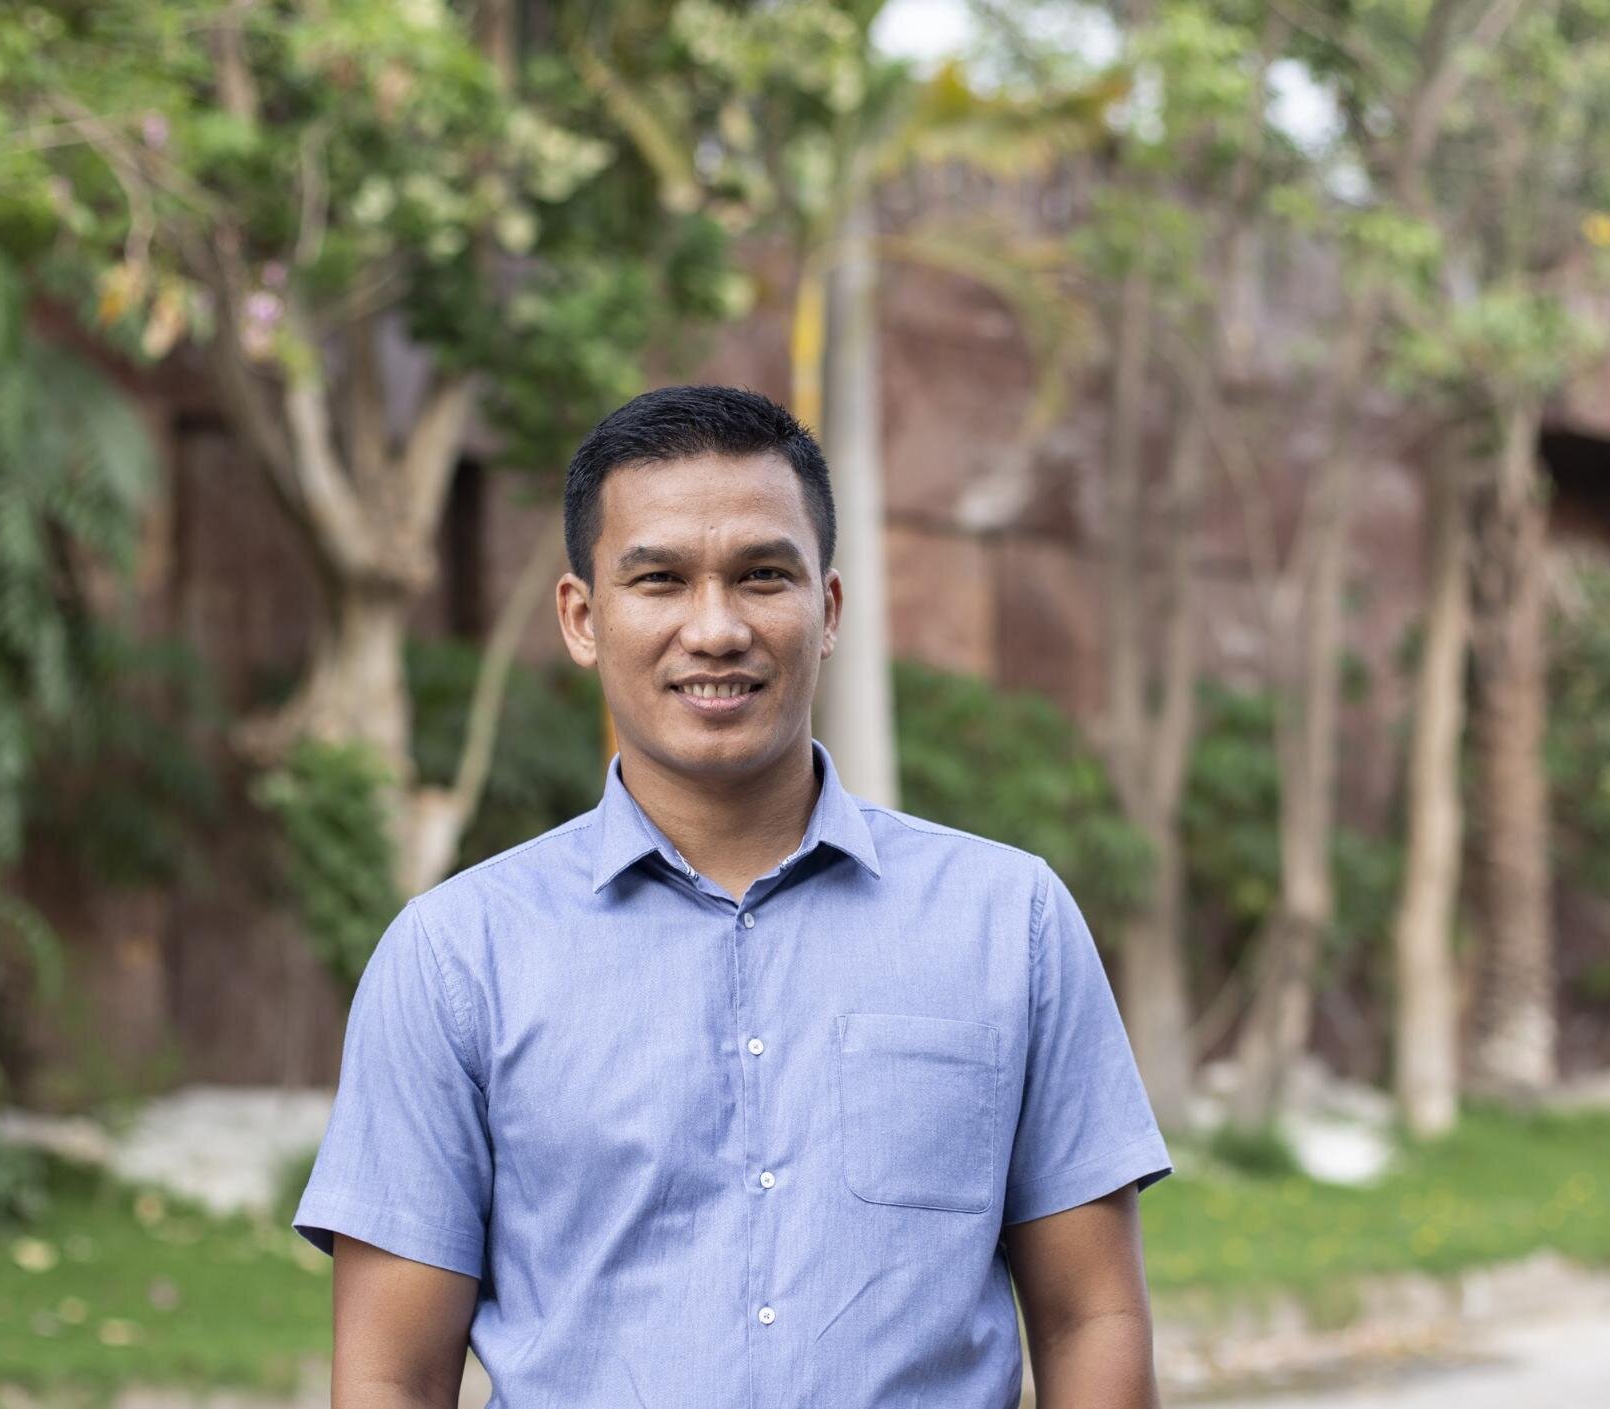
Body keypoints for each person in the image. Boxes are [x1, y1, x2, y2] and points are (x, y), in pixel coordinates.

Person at [292, 384, 1174, 1408]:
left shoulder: (1006, 922)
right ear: (582, 617)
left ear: (827, 607)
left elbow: (1089, 1316)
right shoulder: (455, 956)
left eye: (761, 576)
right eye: (659, 579)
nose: (714, 629)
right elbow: (390, 1373)